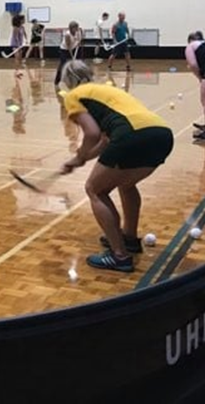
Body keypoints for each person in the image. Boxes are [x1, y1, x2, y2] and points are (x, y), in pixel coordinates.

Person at [59, 60, 174, 273]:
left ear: (67, 81)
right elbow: (104, 142)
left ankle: (119, 255)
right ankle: (129, 238)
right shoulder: (104, 90)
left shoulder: (74, 96)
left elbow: (92, 134)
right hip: (161, 134)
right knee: (126, 184)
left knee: (94, 189)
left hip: (131, 135)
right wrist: (81, 159)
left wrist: (79, 156)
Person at [54, 21, 83, 87]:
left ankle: (78, 80)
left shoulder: (78, 32)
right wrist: (72, 57)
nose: (76, 29)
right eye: (75, 28)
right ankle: (57, 81)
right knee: (63, 64)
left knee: (78, 63)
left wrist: (78, 42)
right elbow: (68, 46)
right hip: (65, 50)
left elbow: (79, 40)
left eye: (77, 27)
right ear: (71, 28)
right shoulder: (67, 35)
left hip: (74, 48)